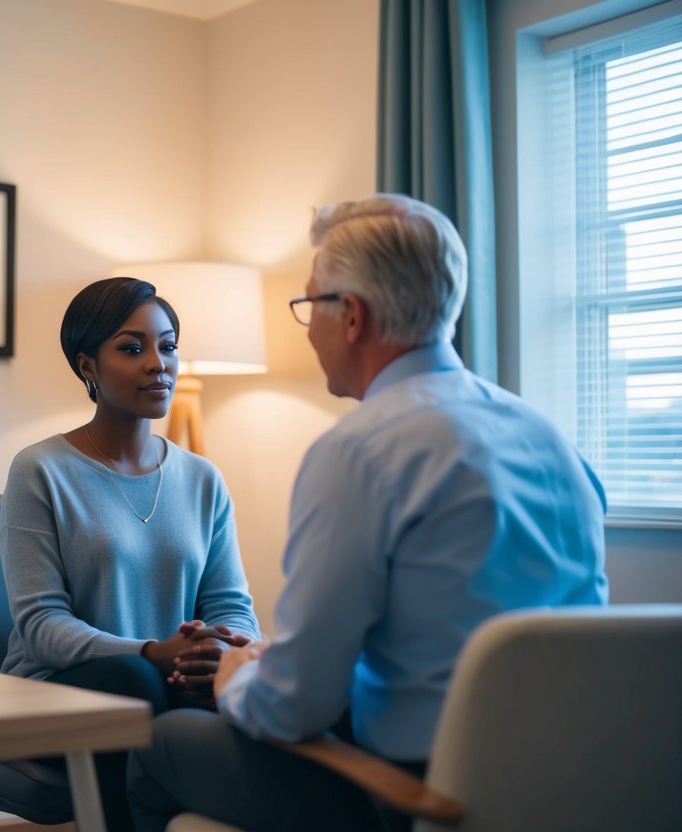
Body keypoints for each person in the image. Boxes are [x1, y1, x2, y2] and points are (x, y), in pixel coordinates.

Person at [126, 194, 609, 832]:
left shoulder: (358, 453)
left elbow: (293, 710)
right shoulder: (548, 438)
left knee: (162, 743)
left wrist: (236, 680)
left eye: (308, 305)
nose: (308, 326)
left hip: (416, 793)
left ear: (351, 316)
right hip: (575, 785)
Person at [0, 276, 262, 830]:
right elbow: (41, 625)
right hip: (57, 694)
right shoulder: (39, 471)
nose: (157, 363)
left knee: (246, 686)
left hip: (165, 683)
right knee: (135, 688)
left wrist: (215, 651)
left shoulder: (202, 479)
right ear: (87, 366)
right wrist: (148, 653)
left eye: (167, 346)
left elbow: (234, 608)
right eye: (131, 347)